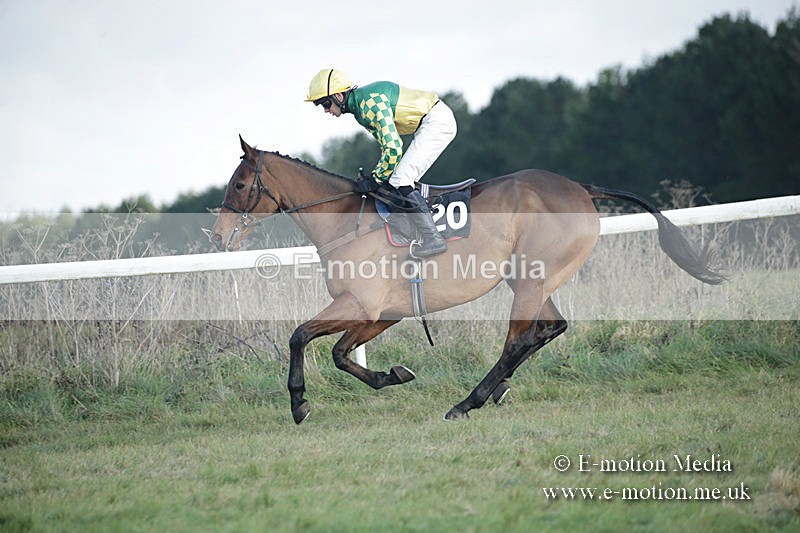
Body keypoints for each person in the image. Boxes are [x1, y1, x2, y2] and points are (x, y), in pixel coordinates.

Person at [305, 68, 457, 259]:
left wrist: (374, 179)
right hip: (429, 122)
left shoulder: (367, 103)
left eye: (325, 103)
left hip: (437, 122)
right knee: (394, 182)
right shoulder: (360, 108)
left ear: (338, 95)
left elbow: (393, 148)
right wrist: (377, 177)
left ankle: (433, 238)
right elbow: (387, 150)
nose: (326, 110)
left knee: (401, 179)